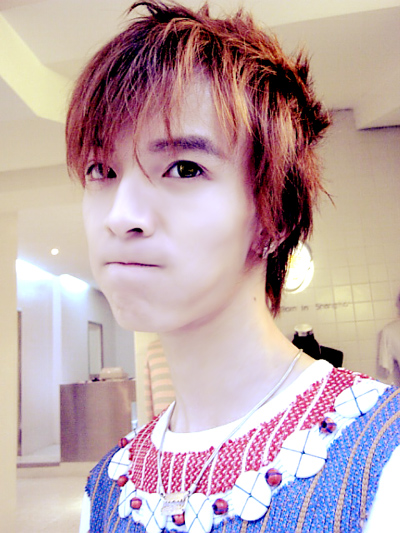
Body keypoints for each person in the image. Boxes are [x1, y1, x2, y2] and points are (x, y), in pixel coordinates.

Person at [65, 2, 400, 531]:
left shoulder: (381, 459)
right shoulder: (107, 490)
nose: (121, 215)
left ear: (275, 216)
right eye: (101, 169)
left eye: (184, 168)